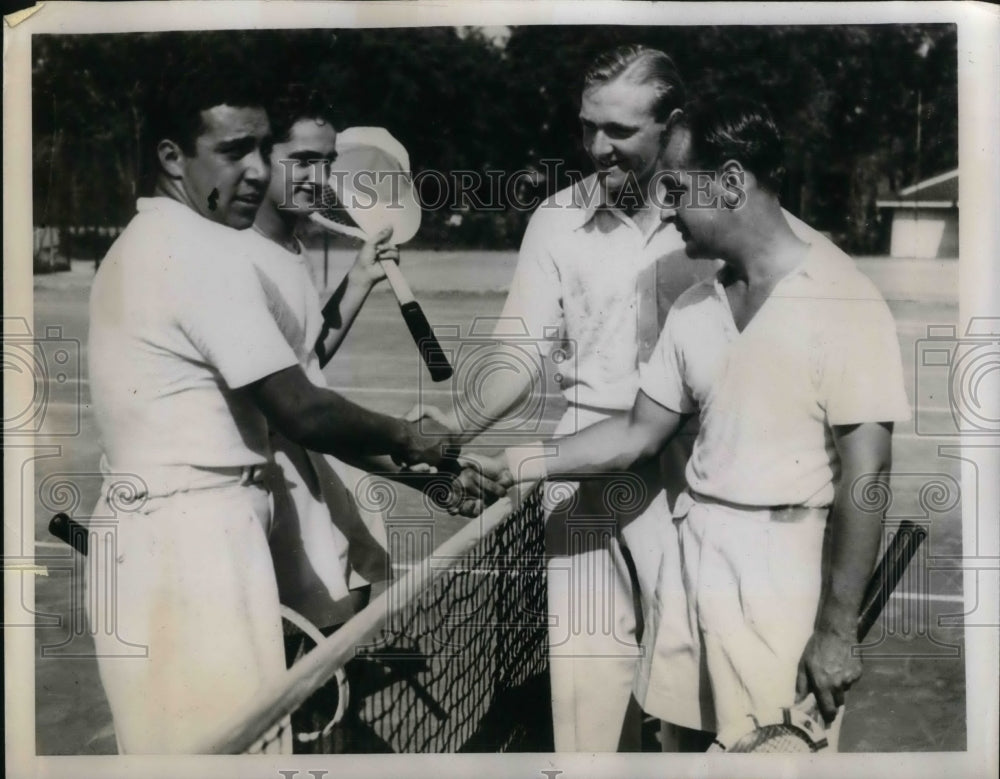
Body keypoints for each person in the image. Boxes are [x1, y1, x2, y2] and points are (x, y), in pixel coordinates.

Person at [467, 95, 911, 749]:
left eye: (676, 188)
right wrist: (521, 462)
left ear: (732, 182)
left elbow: (867, 474)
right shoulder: (696, 306)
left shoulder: (846, 301)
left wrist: (837, 628)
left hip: (782, 588)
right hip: (688, 574)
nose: (665, 206)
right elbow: (634, 434)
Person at [86, 53, 459, 754]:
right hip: (197, 544)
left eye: (263, 148)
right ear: (172, 156)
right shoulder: (204, 253)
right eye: (234, 151)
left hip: (162, 534)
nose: (257, 170)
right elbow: (302, 409)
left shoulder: (145, 241)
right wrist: (415, 441)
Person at [413, 44, 710, 752]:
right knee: (587, 708)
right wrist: (449, 430)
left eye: (619, 132)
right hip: (576, 481)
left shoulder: (714, 215)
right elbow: (518, 354)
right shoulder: (555, 218)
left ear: (672, 126)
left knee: (692, 706)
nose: (597, 149)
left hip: (689, 482)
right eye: (587, 128)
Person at [240, 89, 492, 750]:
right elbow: (304, 411)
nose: (318, 179)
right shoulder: (239, 259)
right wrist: (423, 464)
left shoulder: (287, 252)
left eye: (327, 162)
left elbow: (303, 365)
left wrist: (354, 283)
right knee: (310, 708)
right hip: (283, 517)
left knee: (327, 698)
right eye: (301, 160)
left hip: (320, 502)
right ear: (261, 158)